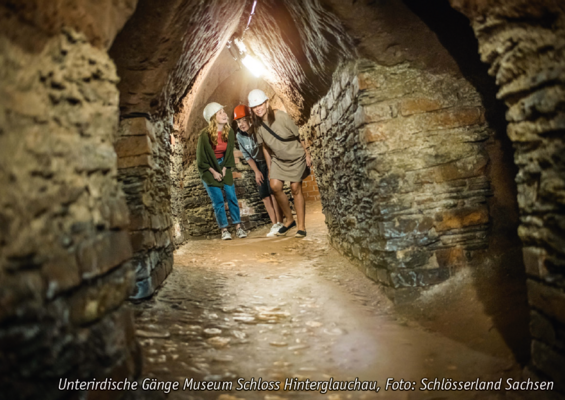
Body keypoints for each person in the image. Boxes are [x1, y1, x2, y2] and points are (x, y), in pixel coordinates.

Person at [248, 89, 311, 238]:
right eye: (255, 107)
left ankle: (301, 227)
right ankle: (289, 220)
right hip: (278, 159)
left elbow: (299, 134)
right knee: (275, 186)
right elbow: (265, 147)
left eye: (261, 104)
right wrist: (270, 168)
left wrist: (307, 153)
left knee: (296, 188)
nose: (258, 108)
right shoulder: (257, 126)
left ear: (267, 102)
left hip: (295, 156)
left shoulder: (281, 116)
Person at [197, 102, 247, 240]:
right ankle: (224, 230)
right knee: (218, 201)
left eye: (224, 111)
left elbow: (229, 153)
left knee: (231, 196)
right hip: (209, 168)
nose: (225, 114)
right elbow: (201, 160)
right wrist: (214, 172)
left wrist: (224, 168)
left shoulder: (229, 131)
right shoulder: (204, 135)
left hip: (223, 164)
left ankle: (238, 227)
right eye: (220, 113)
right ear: (213, 118)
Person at [234, 104, 284, 237]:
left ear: (250, 118)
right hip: (258, 164)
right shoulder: (239, 136)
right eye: (239, 121)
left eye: (243, 120)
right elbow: (247, 156)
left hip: (269, 160)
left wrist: (270, 169)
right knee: (264, 195)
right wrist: (257, 171)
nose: (241, 124)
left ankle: (280, 222)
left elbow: (266, 148)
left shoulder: (258, 128)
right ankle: (274, 224)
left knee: (273, 191)